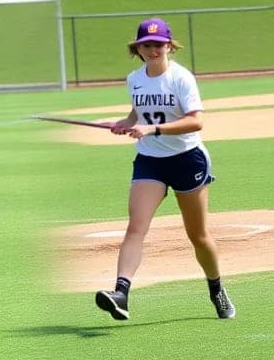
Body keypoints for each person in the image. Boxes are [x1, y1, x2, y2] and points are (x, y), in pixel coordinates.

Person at [94, 18, 234, 322]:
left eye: (159, 44)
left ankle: (216, 288)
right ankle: (121, 294)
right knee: (136, 228)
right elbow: (137, 114)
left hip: (187, 159)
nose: (153, 49)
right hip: (151, 160)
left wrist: (153, 129)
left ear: (169, 45)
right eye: (146, 44)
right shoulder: (134, 78)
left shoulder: (181, 78)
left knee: (198, 235)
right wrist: (123, 124)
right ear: (138, 48)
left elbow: (196, 121)